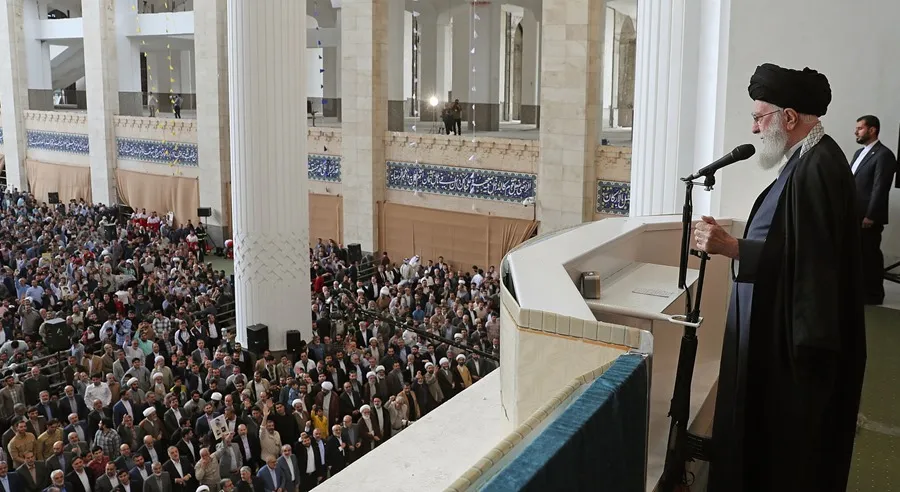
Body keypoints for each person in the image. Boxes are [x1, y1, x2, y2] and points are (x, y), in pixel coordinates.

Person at [694, 63, 866, 491]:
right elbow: (794, 243)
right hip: (781, 338)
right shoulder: (807, 159)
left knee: (788, 458)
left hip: (796, 355)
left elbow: (816, 263)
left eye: (759, 117)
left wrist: (733, 248)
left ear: (788, 118)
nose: (754, 129)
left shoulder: (819, 166)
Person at [850, 115, 897, 305]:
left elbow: (880, 187)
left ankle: (874, 294)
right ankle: (860, 290)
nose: (856, 131)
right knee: (858, 255)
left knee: (870, 256)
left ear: (872, 130)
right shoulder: (858, 154)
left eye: (860, 128)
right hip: (854, 214)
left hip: (868, 217)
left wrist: (871, 215)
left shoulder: (884, 155)